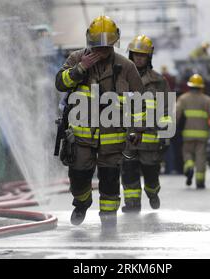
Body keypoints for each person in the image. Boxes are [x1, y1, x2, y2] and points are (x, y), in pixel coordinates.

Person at [55, 15, 145, 229]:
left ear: (114, 44)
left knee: (110, 181)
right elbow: (60, 83)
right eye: (97, 46)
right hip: (81, 138)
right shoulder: (76, 58)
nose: (101, 51)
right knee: (78, 179)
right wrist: (80, 69)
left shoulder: (126, 66)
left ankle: (109, 220)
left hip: (112, 137)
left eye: (106, 47)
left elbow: (141, 101)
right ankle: (82, 201)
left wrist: (138, 128)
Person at [120, 35, 172, 213]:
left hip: (150, 137)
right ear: (131, 56)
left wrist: (165, 135)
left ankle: (152, 192)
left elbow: (166, 108)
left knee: (151, 173)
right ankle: (132, 203)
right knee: (128, 171)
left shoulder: (158, 81)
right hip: (127, 136)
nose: (139, 58)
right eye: (136, 55)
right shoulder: (121, 78)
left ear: (149, 57)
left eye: (142, 55)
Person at [176, 74, 210, 188]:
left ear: (190, 86)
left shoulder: (183, 98)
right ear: (201, 87)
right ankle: (200, 181)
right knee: (201, 157)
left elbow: (176, 115)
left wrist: (172, 128)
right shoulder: (207, 100)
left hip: (187, 134)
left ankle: (189, 165)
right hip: (202, 135)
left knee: (187, 153)